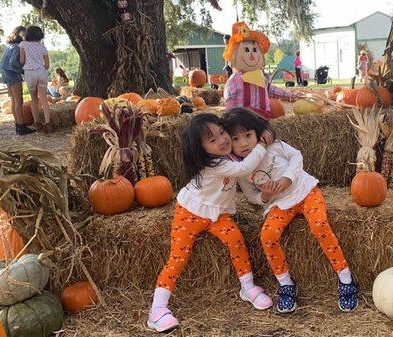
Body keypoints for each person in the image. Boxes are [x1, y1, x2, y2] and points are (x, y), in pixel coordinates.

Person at [147, 113, 274, 333]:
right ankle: (157, 309)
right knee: (178, 257)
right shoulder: (215, 164)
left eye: (222, 132)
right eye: (213, 140)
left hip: (218, 214)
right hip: (191, 213)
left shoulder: (229, 156)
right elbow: (242, 170)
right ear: (201, 150)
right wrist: (262, 144)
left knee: (236, 240)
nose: (223, 140)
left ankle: (247, 286)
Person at [223, 108, 358, 314]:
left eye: (248, 136)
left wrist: (288, 179)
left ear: (257, 134)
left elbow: (296, 156)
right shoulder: (241, 170)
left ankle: (345, 278)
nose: (243, 143)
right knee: (267, 235)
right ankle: (286, 283)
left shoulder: (273, 146)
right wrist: (265, 197)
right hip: (279, 204)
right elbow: (252, 196)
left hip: (304, 191)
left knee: (319, 225)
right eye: (236, 139)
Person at [223, 22, 297, 119]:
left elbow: (271, 89)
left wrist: (289, 95)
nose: (252, 55)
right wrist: (230, 117)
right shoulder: (236, 79)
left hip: (264, 117)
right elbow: (230, 98)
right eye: (246, 50)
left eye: (254, 50)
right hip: (244, 119)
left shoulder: (260, 77)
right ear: (233, 57)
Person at [0, 26, 35, 135]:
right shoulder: (17, 47)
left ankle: (17, 124)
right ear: (17, 34)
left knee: (14, 100)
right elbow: (13, 62)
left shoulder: (9, 45)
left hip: (4, 72)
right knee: (19, 101)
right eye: (23, 35)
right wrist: (23, 70)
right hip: (12, 72)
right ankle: (21, 126)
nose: (25, 37)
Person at [19, 25, 53, 133]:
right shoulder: (42, 47)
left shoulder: (23, 44)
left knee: (34, 99)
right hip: (41, 73)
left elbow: (21, 60)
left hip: (30, 73)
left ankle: (37, 123)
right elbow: (47, 65)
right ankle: (48, 124)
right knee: (44, 100)